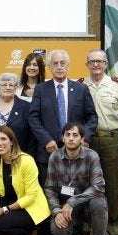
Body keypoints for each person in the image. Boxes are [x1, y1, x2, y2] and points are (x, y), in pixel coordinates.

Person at [80, 49, 118, 235]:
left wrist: (111, 132)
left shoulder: (117, 86)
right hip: (87, 141)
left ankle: (114, 227)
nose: (96, 65)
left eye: (100, 61)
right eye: (92, 61)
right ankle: (84, 226)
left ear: (106, 63)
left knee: (112, 184)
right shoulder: (81, 86)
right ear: (87, 64)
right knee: (85, 183)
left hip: (110, 139)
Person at [29, 49, 98, 185]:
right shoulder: (41, 89)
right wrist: (46, 140)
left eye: (63, 63)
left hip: (76, 151)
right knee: (49, 192)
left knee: (75, 192)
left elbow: (92, 117)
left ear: (68, 66)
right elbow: (33, 118)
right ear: (49, 67)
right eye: (55, 63)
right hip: (48, 151)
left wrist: (85, 138)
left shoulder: (81, 89)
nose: (59, 67)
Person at [44, 122, 108, 235]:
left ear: (82, 139)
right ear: (63, 138)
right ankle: (73, 234)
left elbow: (99, 187)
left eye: (75, 135)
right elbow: (50, 188)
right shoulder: (55, 156)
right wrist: (56, 212)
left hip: (86, 204)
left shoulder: (92, 156)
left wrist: (73, 201)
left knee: (99, 203)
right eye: (68, 135)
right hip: (64, 206)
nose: (71, 139)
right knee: (57, 231)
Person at [0, 125, 50, 235]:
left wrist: (4, 210)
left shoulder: (26, 161)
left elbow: (31, 197)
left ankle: (31, 233)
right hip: (12, 202)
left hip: (30, 208)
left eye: (3, 139)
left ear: (12, 141)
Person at [0, 73, 33, 192]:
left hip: (15, 160)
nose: (7, 87)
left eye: (11, 85)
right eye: (4, 84)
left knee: (13, 194)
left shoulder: (26, 107)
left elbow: (31, 137)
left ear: (16, 87)